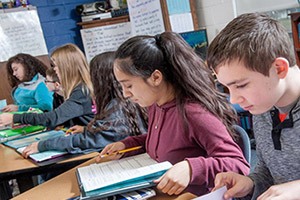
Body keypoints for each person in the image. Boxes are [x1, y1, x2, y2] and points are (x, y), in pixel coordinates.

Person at [97, 32, 250, 196]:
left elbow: (239, 165)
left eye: (128, 85)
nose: (125, 93)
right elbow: (167, 140)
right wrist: (127, 145)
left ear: (155, 78)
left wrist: (191, 168)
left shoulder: (194, 113)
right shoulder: (156, 105)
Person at [206, 13, 300, 200]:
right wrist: (251, 182)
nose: (233, 99)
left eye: (241, 85)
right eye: (227, 87)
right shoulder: (264, 106)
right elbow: (269, 169)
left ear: (279, 68)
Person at [21, 51, 147, 156]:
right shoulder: (125, 103)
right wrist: (86, 129)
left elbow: (88, 140)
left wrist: (44, 144)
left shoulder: (115, 108)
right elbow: (111, 132)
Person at [0, 44, 94, 130]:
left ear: (66, 67)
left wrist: (15, 118)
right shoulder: (77, 89)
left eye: (55, 66)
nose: (54, 69)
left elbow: (54, 117)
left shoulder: (81, 92)